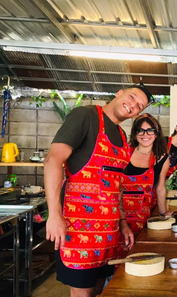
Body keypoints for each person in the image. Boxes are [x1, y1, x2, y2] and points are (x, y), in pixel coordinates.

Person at [44, 84, 153, 297]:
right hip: (78, 230)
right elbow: (52, 162)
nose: (133, 106)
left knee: (100, 291)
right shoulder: (85, 116)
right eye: (132, 97)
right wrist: (54, 215)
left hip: (109, 235)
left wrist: (122, 222)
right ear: (118, 92)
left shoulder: (122, 137)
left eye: (139, 106)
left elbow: (116, 187)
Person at [122, 113, 169, 234]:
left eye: (150, 130)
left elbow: (160, 188)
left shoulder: (161, 158)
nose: (145, 135)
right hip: (118, 217)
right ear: (135, 133)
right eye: (141, 131)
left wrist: (163, 214)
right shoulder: (124, 152)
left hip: (143, 220)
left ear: (156, 132)